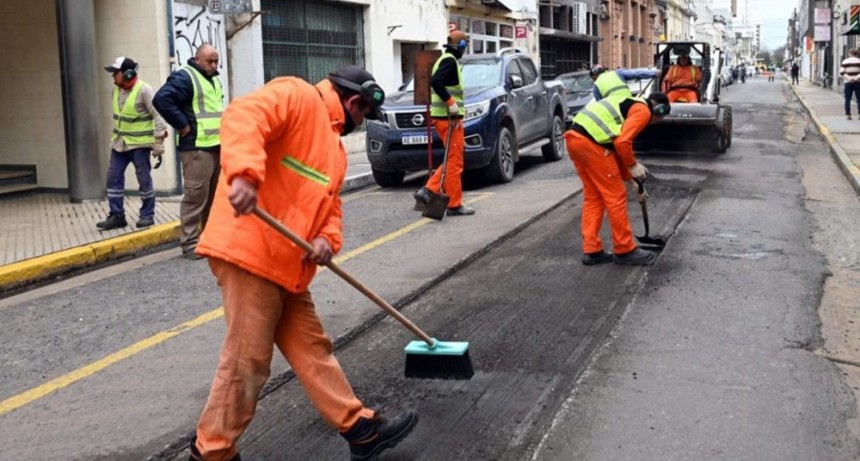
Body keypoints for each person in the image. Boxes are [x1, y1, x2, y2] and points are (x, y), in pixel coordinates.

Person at [188, 65, 417, 461]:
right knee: (248, 361)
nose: (361, 124)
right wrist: (243, 176)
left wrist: (326, 239)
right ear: (353, 102)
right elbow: (243, 116)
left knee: (313, 348)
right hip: (250, 254)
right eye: (363, 115)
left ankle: (358, 428)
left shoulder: (335, 150)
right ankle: (213, 451)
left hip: (286, 265)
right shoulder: (296, 96)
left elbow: (330, 208)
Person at [563, 91, 671, 266]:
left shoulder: (628, 102)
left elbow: (616, 148)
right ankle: (625, 249)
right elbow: (622, 143)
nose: (654, 123)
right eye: (658, 119)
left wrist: (632, 181)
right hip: (592, 144)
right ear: (658, 109)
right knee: (615, 195)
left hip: (575, 140)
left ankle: (592, 250)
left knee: (594, 197)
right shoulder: (643, 111)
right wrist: (634, 165)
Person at [153, 44, 223, 259]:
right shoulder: (186, 77)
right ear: (197, 59)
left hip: (214, 146)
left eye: (216, 61)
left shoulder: (213, 79)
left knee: (212, 198)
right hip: (196, 149)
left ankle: (209, 240)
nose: (213, 65)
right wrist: (182, 125)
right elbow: (161, 99)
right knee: (195, 197)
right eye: (209, 61)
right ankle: (190, 244)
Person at [97, 56, 167, 231]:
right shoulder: (116, 91)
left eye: (116, 73)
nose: (113, 76)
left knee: (144, 180)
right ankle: (117, 215)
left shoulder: (144, 90)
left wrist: (158, 141)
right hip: (120, 143)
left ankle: (147, 215)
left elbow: (159, 115)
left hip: (139, 145)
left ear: (128, 74)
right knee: (113, 178)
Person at [413, 30, 475, 216]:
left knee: (451, 159)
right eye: (465, 45)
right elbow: (436, 82)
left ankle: (430, 191)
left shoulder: (446, 59)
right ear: (461, 46)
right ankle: (451, 202)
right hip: (449, 119)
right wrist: (451, 103)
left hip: (446, 119)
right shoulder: (449, 61)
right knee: (455, 162)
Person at [588, 64, 659, 101]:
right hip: (628, 103)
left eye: (593, 78)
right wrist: (654, 73)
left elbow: (600, 105)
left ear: (594, 76)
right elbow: (636, 73)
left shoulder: (596, 86)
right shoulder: (617, 73)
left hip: (614, 110)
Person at [839, 49, 860, 120]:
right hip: (858, 82)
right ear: (856, 54)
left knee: (847, 99)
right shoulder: (859, 61)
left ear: (850, 53)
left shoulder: (845, 61)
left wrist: (849, 78)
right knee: (859, 99)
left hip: (848, 83)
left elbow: (842, 72)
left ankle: (848, 114)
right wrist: (856, 78)